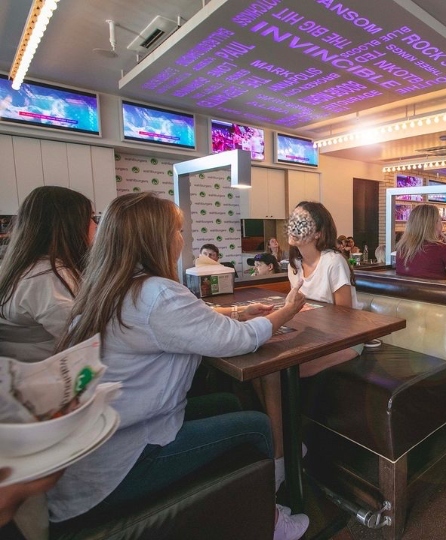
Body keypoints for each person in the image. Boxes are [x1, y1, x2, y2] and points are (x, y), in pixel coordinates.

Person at [48, 192, 309, 540]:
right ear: (155, 238)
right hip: (121, 466)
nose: (182, 239)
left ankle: (246, 494)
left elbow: (177, 325)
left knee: (230, 402)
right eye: (178, 230)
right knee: (257, 426)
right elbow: (240, 340)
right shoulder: (158, 294)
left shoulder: (108, 288)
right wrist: (288, 309)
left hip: (88, 460)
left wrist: (236, 312)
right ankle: (269, 523)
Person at [255, 201, 363, 492]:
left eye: (302, 221)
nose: (294, 225)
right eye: (293, 220)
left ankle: (282, 457)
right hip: (313, 339)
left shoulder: (333, 261)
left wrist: (303, 316)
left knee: (273, 373)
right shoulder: (295, 265)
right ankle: (287, 447)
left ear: (318, 232)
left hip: (345, 342)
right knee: (261, 369)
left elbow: (347, 318)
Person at [0, 186, 96, 363]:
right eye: (90, 218)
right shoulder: (48, 278)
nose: (95, 226)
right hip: (45, 379)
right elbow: (84, 336)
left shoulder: (26, 268)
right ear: (69, 225)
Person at [395, 204, 446, 281]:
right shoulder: (441, 249)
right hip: (433, 293)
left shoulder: (402, 248)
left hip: (405, 293)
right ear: (434, 224)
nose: (442, 224)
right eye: (440, 220)